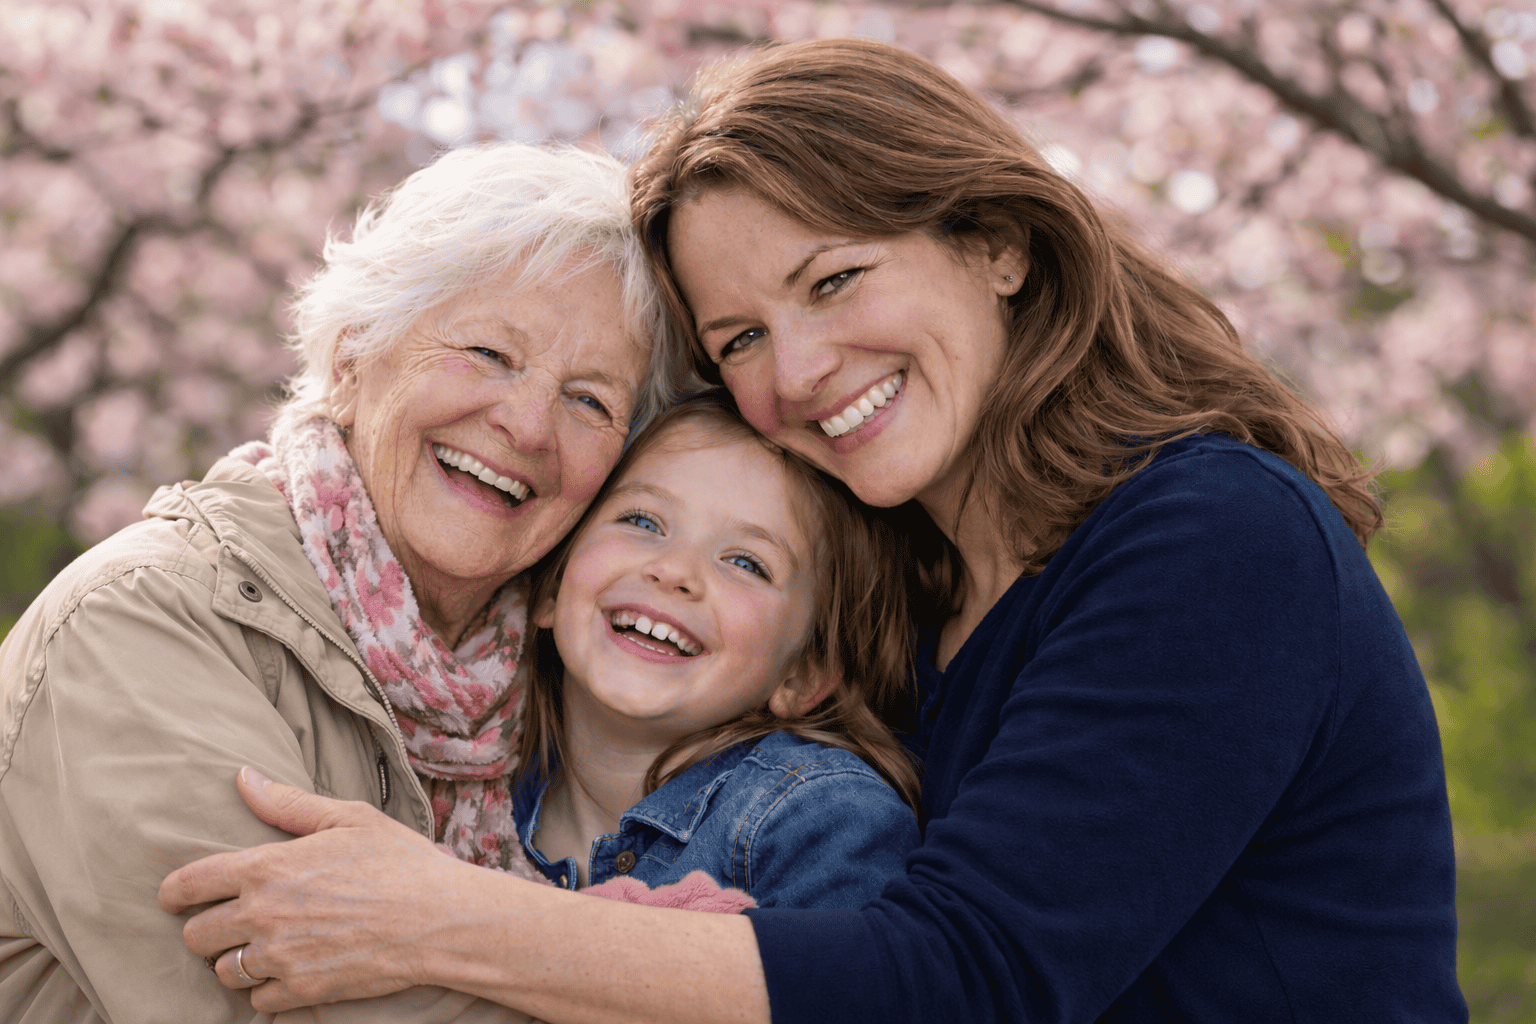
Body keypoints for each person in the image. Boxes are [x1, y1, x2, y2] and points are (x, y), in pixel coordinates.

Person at [161, 38, 1466, 1023]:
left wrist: (443, 923)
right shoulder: (915, 592)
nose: (801, 368)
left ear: (998, 244)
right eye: (740, 339)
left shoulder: (1210, 535)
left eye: (835, 280)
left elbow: (973, 975)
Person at [0, 141, 688, 1023]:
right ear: (356, 351)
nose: (526, 424)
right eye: (487, 352)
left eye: (590, 401)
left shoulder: (578, 682)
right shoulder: (133, 625)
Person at [510, 390, 918, 906]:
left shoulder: (816, 817)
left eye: (746, 562)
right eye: (642, 521)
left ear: (803, 675)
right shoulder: (474, 793)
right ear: (552, 587)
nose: (676, 570)